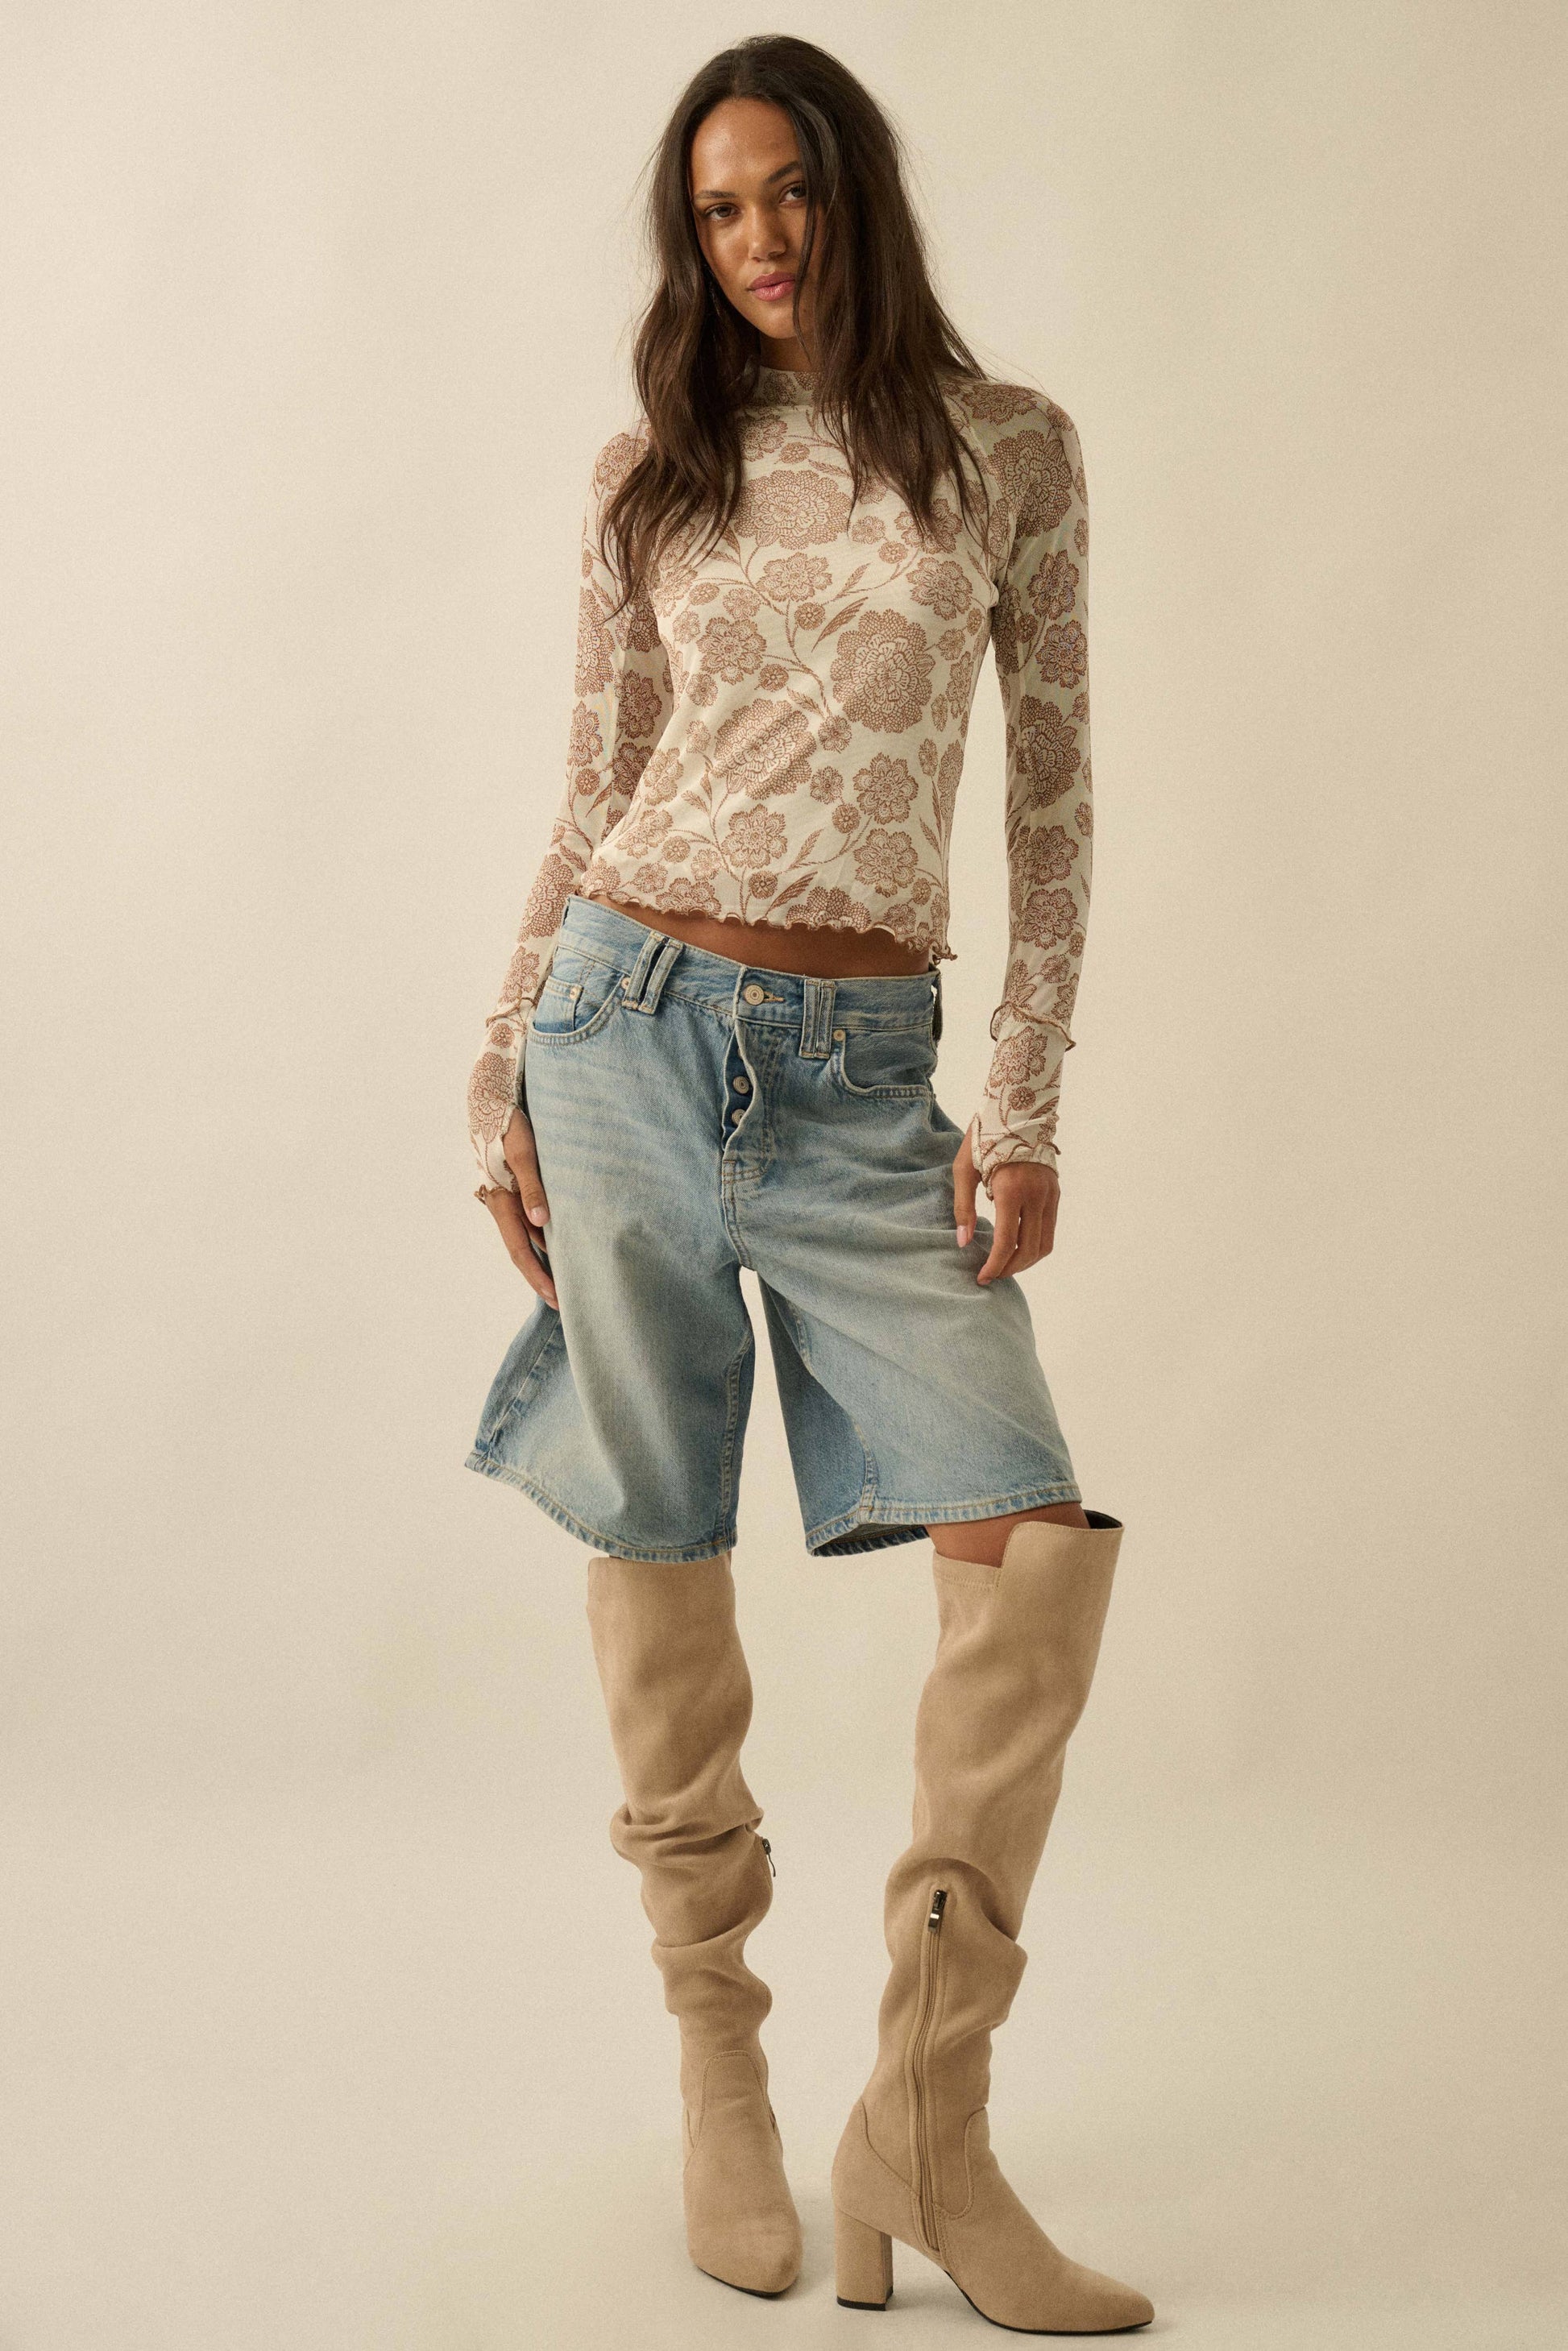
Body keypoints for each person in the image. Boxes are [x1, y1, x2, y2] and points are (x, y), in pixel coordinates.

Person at [463, 33, 1153, 2334]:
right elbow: (594, 789)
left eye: (790, 193)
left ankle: (925, 2129)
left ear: (858, 193)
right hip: (625, 1031)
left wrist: (1020, 1100)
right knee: (658, 1526)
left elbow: (1052, 801)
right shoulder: (648, 476)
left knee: (1022, 1530)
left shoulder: (1003, 452)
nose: (757, 240)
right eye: (717, 209)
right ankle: (723, 2069)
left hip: (863, 1084)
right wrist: (501, 1065)